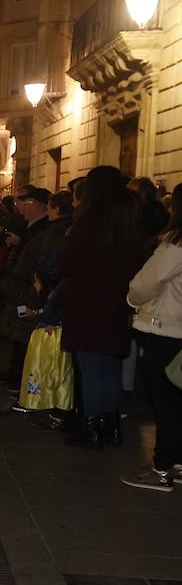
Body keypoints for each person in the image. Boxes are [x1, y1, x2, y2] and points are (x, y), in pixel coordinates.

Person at [58, 167, 147, 448]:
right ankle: (112, 426)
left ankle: (92, 425)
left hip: (88, 303)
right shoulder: (129, 224)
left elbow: (66, 263)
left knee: (91, 368)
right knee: (109, 367)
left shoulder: (90, 223)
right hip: (116, 305)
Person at [123, 182, 182, 490]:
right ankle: (178, 461)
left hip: (166, 328)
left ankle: (161, 468)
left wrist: (133, 299)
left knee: (166, 401)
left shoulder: (176, 245)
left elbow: (147, 282)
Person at [0, 187, 54, 395]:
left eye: (25, 204)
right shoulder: (28, 225)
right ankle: (15, 371)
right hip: (19, 283)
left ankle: (22, 377)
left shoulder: (42, 229)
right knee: (17, 333)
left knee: (24, 333)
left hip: (28, 285)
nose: (21, 208)